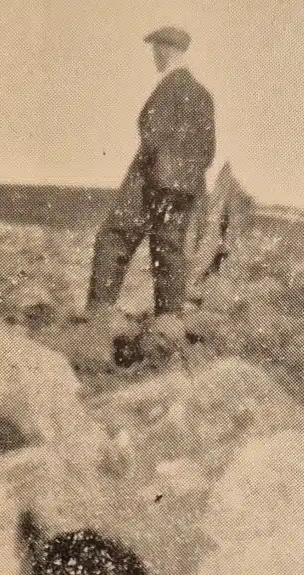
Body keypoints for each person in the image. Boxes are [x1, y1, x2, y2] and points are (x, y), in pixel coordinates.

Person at [84, 25, 216, 346]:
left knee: (113, 238)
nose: (154, 56)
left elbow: (151, 133)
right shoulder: (203, 95)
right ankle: (168, 324)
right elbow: (208, 150)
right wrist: (184, 179)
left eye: (155, 49)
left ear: (165, 50)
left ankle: (98, 319)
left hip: (152, 178)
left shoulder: (167, 89)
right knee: (169, 248)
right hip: (186, 186)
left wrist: (158, 174)